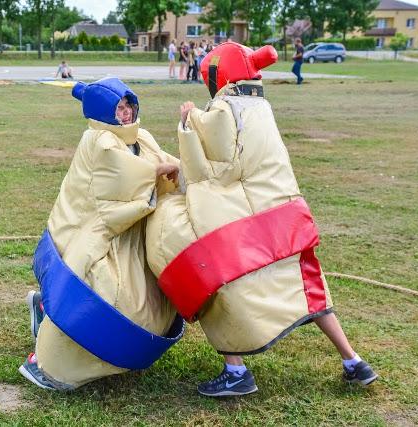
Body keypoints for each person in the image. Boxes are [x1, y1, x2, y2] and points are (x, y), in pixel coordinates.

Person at [145, 42, 378, 397]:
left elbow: (212, 171)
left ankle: (235, 372)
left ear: (218, 75)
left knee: (217, 282)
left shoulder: (222, 109)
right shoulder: (261, 107)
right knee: (304, 285)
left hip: (244, 223)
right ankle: (353, 361)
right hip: (282, 216)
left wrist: (188, 120)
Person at [19, 77, 183, 391]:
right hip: (100, 232)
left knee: (147, 303)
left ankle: (43, 307)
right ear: (102, 111)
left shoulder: (141, 136)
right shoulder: (99, 140)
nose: (126, 112)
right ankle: (50, 365)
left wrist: (181, 169)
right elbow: (119, 177)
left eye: (128, 105)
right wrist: (154, 174)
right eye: (118, 108)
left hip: (131, 232)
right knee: (100, 292)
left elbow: (162, 160)